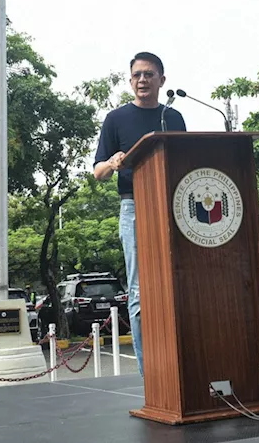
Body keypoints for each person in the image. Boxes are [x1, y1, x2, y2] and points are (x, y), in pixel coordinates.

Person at [91, 52, 185, 376]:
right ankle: (152, 377)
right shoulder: (116, 119)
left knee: (177, 286)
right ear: (131, 81)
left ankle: (179, 370)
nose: (142, 80)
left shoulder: (173, 118)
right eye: (137, 75)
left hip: (172, 207)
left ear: (162, 79)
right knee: (140, 293)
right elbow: (97, 172)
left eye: (149, 74)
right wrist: (113, 162)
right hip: (134, 208)